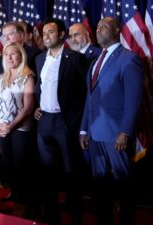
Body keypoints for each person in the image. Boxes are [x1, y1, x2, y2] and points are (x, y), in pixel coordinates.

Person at [80, 17, 143, 225]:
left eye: (104, 27)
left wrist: (125, 131)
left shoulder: (128, 59)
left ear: (116, 31)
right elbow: (90, 98)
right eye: (97, 27)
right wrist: (83, 130)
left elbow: (133, 99)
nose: (98, 30)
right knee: (101, 188)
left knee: (124, 186)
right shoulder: (96, 59)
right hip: (95, 135)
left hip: (116, 135)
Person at [33, 18, 88, 225]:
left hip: (66, 122)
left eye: (51, 32)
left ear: (62, 35)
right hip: (44, 120)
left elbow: (86, 93)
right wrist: (38, 106)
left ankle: (76, 216)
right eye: (44, 32)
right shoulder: (39, 59)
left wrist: (79, 122)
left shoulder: (74, 58)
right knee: (48, 173)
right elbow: (41, 86)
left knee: (71, 171)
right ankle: (51, 215)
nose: (46, 36)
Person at [0, 42, 37, 218]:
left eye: (13, 54)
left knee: (22, 169)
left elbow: (28, 108)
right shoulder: (1, 78)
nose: (9, 57)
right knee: (9, 168)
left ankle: (24, 205)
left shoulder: (28, 77)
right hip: (3, 130)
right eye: (6, 54)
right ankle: (17, 200)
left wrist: (11, 126)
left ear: (21, 56)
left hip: (21, 131)